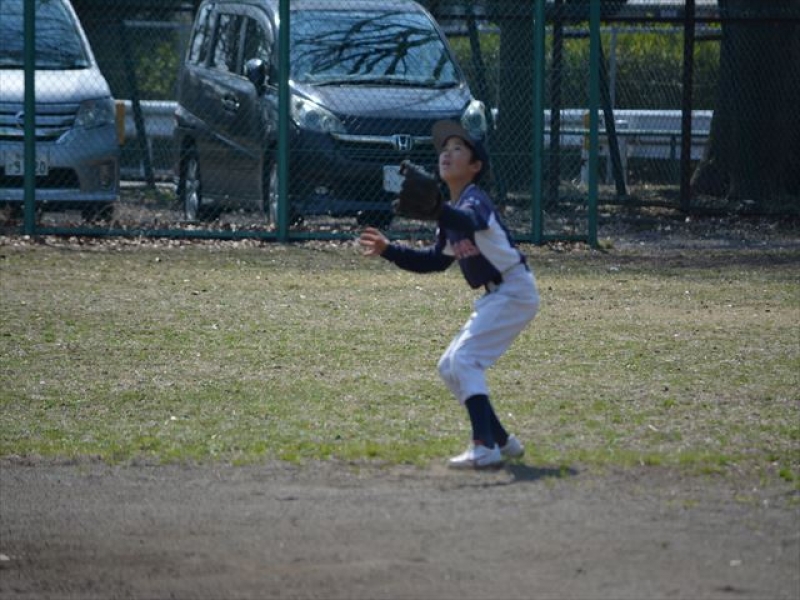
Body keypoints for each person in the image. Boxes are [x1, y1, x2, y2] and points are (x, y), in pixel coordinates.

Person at [359, 120, 540, 469]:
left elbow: (470, 222)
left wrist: (439, 210)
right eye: (444, 149)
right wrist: (388, 250)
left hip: (514, 289)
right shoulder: (450, 214)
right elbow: (434, 261)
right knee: (449, 366)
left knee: (465, 360)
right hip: (498, 294)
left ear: (475, 166)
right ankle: (502, 441)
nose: (448, 153)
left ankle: (483, 447)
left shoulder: (475, 200)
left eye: (458, 149)